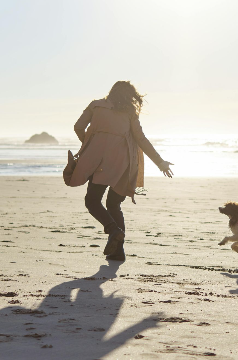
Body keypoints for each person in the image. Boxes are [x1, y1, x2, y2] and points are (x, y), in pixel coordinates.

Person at [70, 81, 173, 261]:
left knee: (92, 200)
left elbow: (78, 126)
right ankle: (118, 251)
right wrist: (160, 162)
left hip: (99, 161)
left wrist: (91, 144)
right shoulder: (129, 112)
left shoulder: (95, 105)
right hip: (124, 163)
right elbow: (141, 139)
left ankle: (113, 230)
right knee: (114, 204)